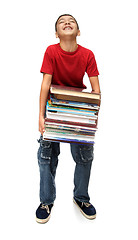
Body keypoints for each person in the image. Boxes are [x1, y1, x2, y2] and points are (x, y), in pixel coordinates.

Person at [36, 14, 100, 223]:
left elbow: (96, 90)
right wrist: (40, 116)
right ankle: (46, 201)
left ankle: (81, 198)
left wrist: (92, 117)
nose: (67, 22)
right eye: (62, 21)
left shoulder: (88, 54)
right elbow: (45, 84)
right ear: (57, 33)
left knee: (84, 157)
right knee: (46, 157)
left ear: (78, 31)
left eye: (71, 21)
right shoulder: (51, 51)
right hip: (53, 107)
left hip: (79, 109)